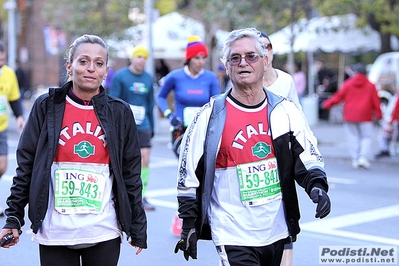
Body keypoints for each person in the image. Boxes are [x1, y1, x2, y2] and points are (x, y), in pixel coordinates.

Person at [173, 28, 331, 266]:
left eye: (251, 56)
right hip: (231, 230)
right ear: (226, 66)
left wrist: (316, 186)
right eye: (234, 58)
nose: (243, 63)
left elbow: (306, 157)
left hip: (276, 229)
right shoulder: (210, 116)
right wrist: (188, 223)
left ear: (265, 62)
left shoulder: (285, 111)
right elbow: (188, 172)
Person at [0, 34, 147, 265]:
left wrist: (137, 226)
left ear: (106, 70)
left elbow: (130, 173)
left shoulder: (119, 112)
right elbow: (26, 166)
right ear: (70, 66)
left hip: (103, 231)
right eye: (83, 61)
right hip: (55, 232)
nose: (91, 69)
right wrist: (13, 218)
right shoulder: (46, 106)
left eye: (99, 63)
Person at [156, 35, 220, 237]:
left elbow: (217, 102)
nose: (201, 62)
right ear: (189, 59)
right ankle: (180, 215)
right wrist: (169, 115)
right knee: (186, 173)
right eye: (197, 58)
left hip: (203, 130)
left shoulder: (209, 77)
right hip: (181, 132)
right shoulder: (175, 76)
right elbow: (160, 97)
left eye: (203, 58)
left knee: (203, 172)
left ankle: (204, 216)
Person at [260, 31, 303, 266]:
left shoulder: (286, 81)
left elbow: (297, 117)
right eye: (259, 47)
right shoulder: (246, 78)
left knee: (285, 214)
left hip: (281, 156)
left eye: (267, 46)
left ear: (272, 51)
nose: (263, 51)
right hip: (253, 157)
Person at [109, 45, 155, 211]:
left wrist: (153, 126)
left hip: (143, 124)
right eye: (139, 56)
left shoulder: (148, 78)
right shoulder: (121, 77)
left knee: (145, 157)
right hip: (124, 125)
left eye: (144, 57)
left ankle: (143, 194)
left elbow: (150, 103)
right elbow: (113, 101)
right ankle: (121, 193)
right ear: (132, 58)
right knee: (123, 158)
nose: (141, 60)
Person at [322, 63, 382, 169]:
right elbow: (376, 102)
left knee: (352, 137)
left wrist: (327, 104)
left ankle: (355, 158)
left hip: (350, 114)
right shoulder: (371, 85)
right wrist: (379, 114)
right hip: (365, 114)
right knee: (367, 136)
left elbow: (338, 97)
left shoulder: (348, 84)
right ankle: (362, 157)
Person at [0, 42, 25, 217]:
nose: (1, 62)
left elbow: (14, 99)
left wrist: (19, 117)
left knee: (2, 167)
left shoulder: (9, 74)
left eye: (2, 59)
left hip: (1, 127)